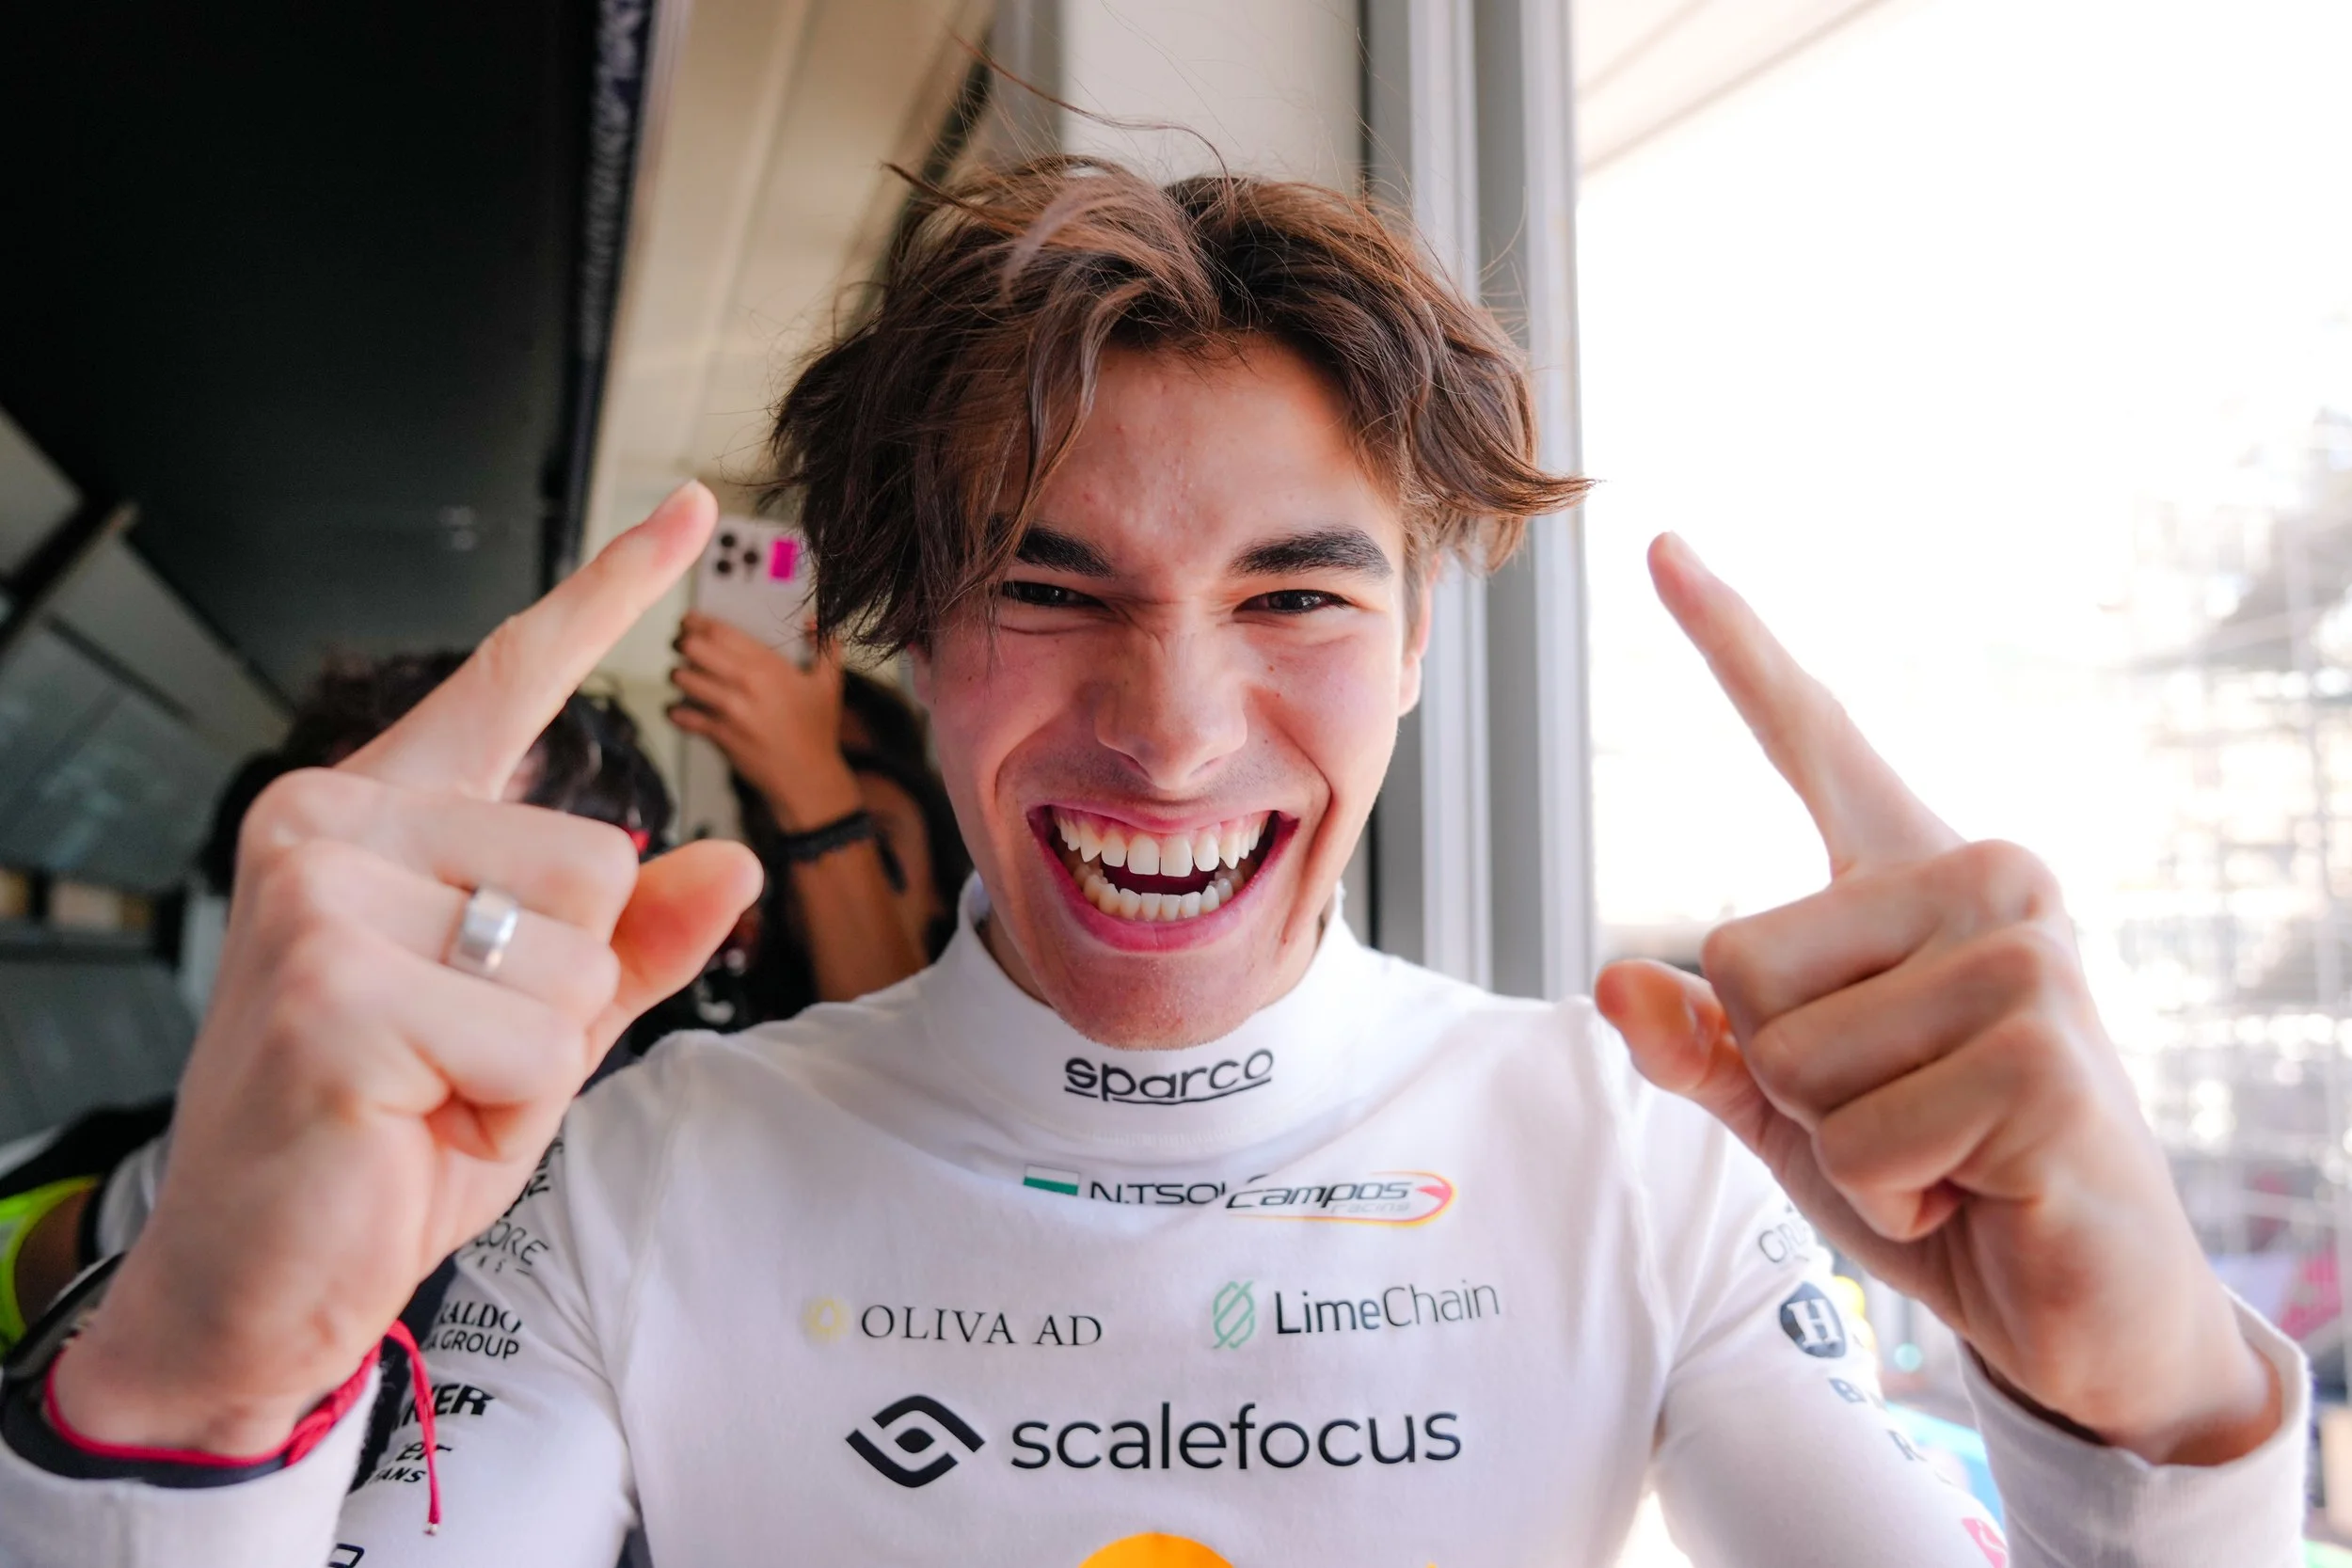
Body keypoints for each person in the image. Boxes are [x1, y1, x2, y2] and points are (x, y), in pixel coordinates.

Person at [0, 158, 2307, 1566]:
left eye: (1295, 594)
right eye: (1047, 584)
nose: (1173, 727)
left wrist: (2151, 1420)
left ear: (1415, 649)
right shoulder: (640, 1172)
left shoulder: (1637, 1161)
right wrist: (197, 1385)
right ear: (913, 642)